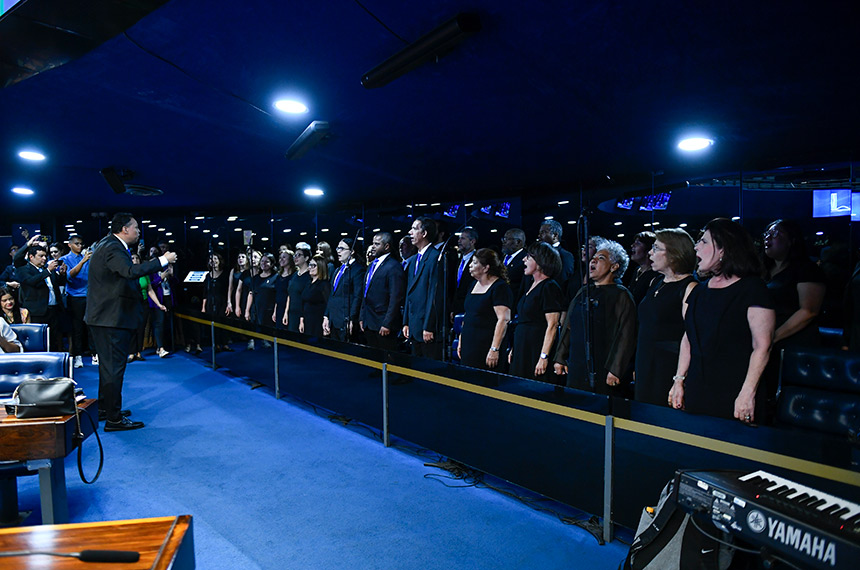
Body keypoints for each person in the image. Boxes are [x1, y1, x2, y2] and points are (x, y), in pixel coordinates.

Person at [669, 218, 775, 424]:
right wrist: (679, 380)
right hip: (698, 389)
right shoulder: (699, 291)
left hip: (735, 392)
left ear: (723, 250)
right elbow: (688, 338)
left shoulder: (753, 289)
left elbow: (763, 346)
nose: (696, 247)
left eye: (703, 241)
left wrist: (747, 393)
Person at [85, 212, 177, 431]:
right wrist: (163, 260)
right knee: (113, 369)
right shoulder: (112, 247)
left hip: (106, 318)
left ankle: (106, 409)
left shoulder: (107, 245)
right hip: (110, 319)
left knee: (108, 368)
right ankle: (114, 420)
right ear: (124, 229)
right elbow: (130, 271)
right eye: (135, 227)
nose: (138, 231)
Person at [554, 240, 636, 395]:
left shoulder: (621, 295)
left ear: (614, 266)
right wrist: (560, 357)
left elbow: (626, 335)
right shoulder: (583, 292)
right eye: (593, 258)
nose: (593, 260)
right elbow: (568, 326)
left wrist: (616, 369)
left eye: (601, 258)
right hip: (577, 362)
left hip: (603, 365)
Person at [761, 219, 826, 404]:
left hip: (794, 344)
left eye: (775, 234)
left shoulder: (807, 269)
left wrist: (772, 337)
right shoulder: (764, 270)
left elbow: (808, 311)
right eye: (767, 234)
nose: (768, 238)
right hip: (769, 343)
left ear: (791, 240)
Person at [634, 229, 698, 406]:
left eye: (656, 248)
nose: (650, 253)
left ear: (674, 253)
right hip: (645, 361)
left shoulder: (689, 287)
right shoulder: (655, 282)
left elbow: (690, 335)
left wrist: (680, 378)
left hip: (668, 366)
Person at [508, 242, 563, 380]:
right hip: (522, 346)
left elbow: (552, 325)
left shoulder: (549, 287)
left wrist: (543, 356)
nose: (523, 260)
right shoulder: (530, 285)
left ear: (539, 262)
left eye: (528, 257)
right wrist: (515, 348)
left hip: (536, 348)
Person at [457, 249, 513, 370]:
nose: (470, 265)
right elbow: (468, 314)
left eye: (475, 262)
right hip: (469, 343)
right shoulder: (472, 285)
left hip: (486, 346)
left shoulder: (500, 287)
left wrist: (494, 349)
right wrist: (461, 340)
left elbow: (503, 319)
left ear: (486, 268)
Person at [403, 217, 445, 360]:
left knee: (429, 368)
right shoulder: (413, 259)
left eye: (414, 229)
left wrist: (429, 326)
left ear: (424, 233)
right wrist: (406, 322)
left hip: (427, 329)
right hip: (414, 326)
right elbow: (409, 292)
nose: (410, 232)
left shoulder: (436, 258)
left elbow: (435, 295)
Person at [360, 232, 405, 351]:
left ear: (386, 246)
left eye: (377, 244)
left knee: (386, 357)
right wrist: (362, 317)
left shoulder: (393, 266)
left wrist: (387, 323)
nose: (373, 247)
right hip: (369, 322)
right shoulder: (372, 265)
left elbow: (395, 297)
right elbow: (365, 293)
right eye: (373, 243)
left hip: (383, 323)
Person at [16, 244, 66, 351]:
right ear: (31, 257)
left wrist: (62, 274)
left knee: (54, 339)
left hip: (54, 309)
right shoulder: (24, 269)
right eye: (41, 256)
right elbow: (32, 281)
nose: (44, 258)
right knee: (38, 341)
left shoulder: (48, 269)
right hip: (37, 311)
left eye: (45, 256)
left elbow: (57, 285)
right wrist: (48, 271)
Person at [60, 235, 95, 368]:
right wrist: (83, 261)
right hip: (75, 297)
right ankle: (78, 356)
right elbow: (70, 276)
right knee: (77, 328)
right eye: (77, 244)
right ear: (70, 245)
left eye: (81, 244)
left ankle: (94, 354)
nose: (80, 246)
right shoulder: (65, 259)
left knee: (91, 326)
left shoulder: (86, 257)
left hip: (89, 296)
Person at [324, 238, 365, 342]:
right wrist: (326, 316)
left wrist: (352, 318)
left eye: (342, 249)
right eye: (337, 248)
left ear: (352, 251)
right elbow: (332, 295)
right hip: (333, 320)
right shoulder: (337, 270)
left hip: (345, 320)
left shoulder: (357, 270)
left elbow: (357, 297)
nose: (338, 251)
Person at [246, 252, 278, 347]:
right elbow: (250, 294)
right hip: (256, 308)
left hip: (268, 308)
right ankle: (251, 342)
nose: (264, 263)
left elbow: (277, 296)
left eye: (267, 262)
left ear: (272, 264)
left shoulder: (276, 277)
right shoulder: (255, 278)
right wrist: (247, 310)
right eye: (262, 261)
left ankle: (266, 340)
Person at [202, 251, 231, 352]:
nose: (213, 261)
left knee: (223, 322)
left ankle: (225, 343)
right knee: (213, 323)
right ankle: (216, 344)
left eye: (215, 259)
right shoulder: (208, 276)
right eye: (211, 259)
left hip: (222, 301)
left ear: (219, 261)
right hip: (211, 301)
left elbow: (228, 289)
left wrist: (228, 303)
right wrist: (203, 307)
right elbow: (205, 292)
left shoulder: (225, 274)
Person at [624, 231, 659, 305]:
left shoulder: (656, 275)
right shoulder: (636, 270)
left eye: (638, 243)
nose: (632, 245)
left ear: (649, 250)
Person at [283, 244, 312, 333]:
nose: (296, 257)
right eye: (295, 255)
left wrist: (302, 319)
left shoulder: (309, 276)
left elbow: (307, 299)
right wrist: (286, 312)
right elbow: (290, 295)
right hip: (292, 313)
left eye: (299, 255)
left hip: (303, 314)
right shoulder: (294, 275)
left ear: (306, 258)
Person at [300, 255, 331, 336]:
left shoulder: (324, 284)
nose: (310, 267)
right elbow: (304, 302)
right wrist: (302, 320)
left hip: (317, 322)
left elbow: (329, 304)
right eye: (309, 265)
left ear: (321, 267)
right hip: (307, 321)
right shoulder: (308, 283)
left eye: (313, 265)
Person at [452, 227, 478, 318]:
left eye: (463, 238)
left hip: (471, 308)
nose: (459, 241)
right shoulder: (459, 260)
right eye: (459, 238)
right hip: (457, 307)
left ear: (472, 241)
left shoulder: (478, 259)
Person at [501, 228, 526, 304]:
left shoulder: (525, 259)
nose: (503, 241)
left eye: (506, 239)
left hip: (514, 302)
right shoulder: (501, 257)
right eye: (503, 239)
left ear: (518, 242)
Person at [272, 248, 295, 330]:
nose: (281, 259)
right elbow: (277, 294)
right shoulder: (278, 276)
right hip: (279, 308)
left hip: (289, 308)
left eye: (284, 257)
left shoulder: (294, 275)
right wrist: (275, 311)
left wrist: (286, 312)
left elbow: (290, 294)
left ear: (290, 259)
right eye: (280, 257)